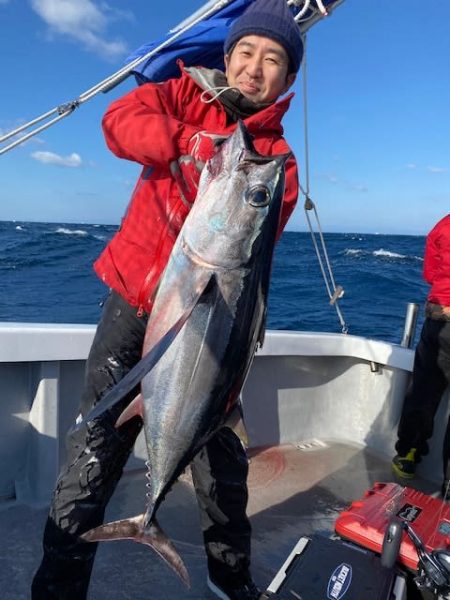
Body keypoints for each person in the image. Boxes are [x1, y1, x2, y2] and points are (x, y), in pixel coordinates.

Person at [31, 0, 302, 598]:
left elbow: (248, 238)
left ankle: (230, 582)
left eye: (274, 59)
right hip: (133, 311)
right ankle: (58, 587)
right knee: (93, 453)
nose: (256, 68)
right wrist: (188, 140)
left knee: (222, 468)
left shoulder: (276, 163)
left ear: (288, 78)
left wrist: (225, 168)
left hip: (212, 330)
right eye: (247, 52)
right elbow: (118, 124)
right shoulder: (181, 95)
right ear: (228, 57)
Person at [392, 214, 450, 496]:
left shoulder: (442, 226)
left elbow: (429, 274)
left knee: (424, 392)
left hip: (439, 319)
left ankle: (407, 456)